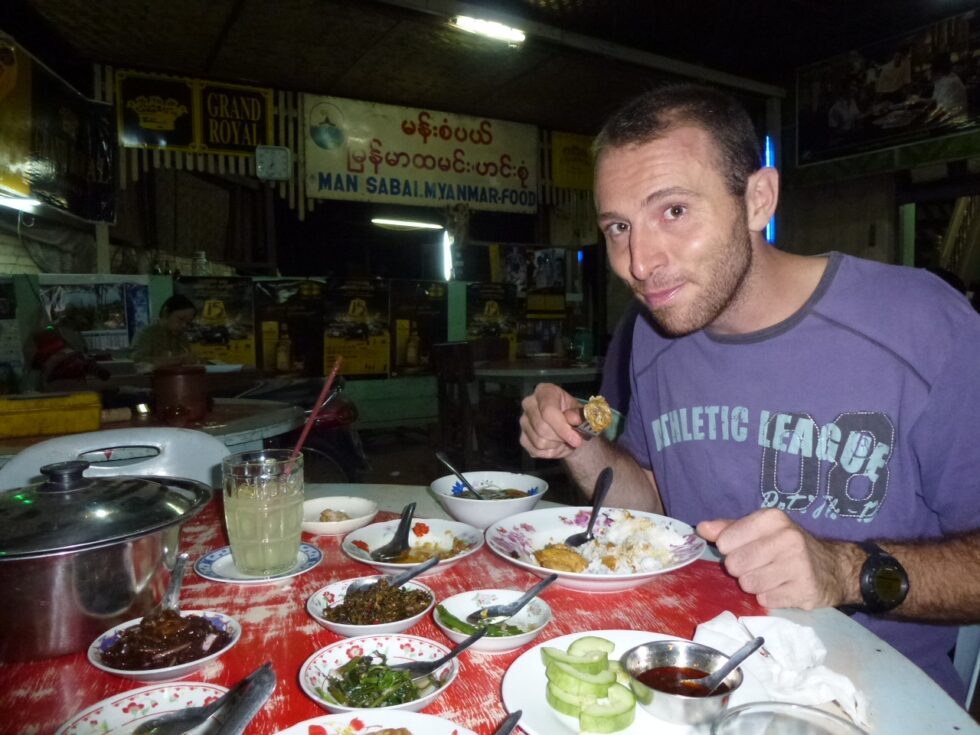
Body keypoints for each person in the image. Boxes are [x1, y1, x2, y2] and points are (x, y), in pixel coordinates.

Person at [519, 82, 980, 703]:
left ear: (758, 199)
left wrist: (846, 571)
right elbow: (655, 502)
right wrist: (582, 444)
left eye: (674, 211)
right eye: (619, 226)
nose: (640, 261)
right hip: (688, 674)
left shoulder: (924, 325)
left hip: (872, 702)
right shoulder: (650, 333)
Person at [130, 294, 199, 368]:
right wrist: (178, 360)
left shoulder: (182, 337)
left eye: (188, 322)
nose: (184, 325)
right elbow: (136, 361)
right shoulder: (146, 333)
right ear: (165, 312)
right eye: (180, 319)